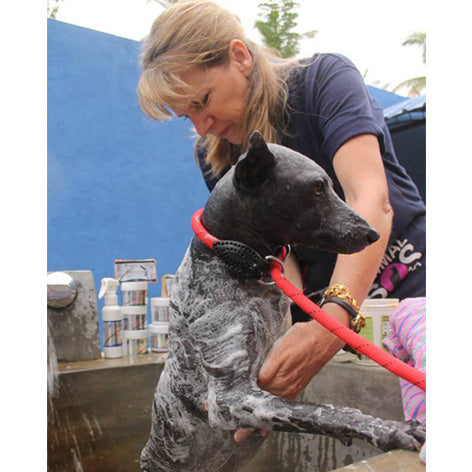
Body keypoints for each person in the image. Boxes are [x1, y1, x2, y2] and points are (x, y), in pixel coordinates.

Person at [137, 0, 426, 441]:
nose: (203, 125)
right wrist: (274, 363)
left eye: (203, 101)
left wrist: (333, 321)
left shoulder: (323, 81)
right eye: (187, 115)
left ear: (239, 56)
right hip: (330, 318)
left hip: (412, 292)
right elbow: (275, 258)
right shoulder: (217, 157)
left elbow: (369, 199)